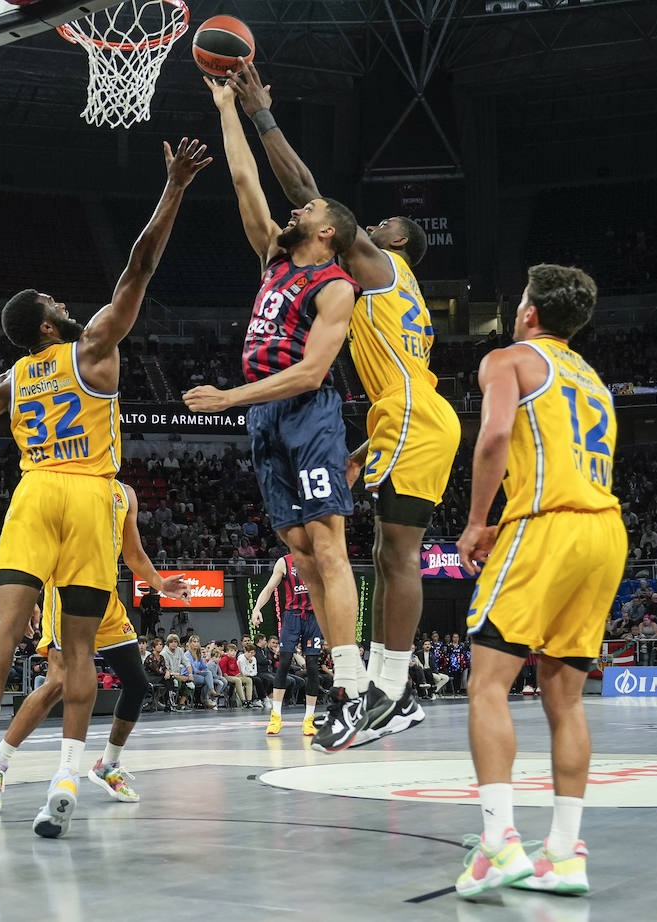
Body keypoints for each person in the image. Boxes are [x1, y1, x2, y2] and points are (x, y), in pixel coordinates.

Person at [0, 138, 211, 838]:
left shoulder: (6, 382)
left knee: (4, 628)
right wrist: (175, 188)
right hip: (91, 496)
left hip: (33, 492)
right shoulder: (93, 347)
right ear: (47, 325)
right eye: (56, 303)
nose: (68, 304)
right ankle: (67, 779)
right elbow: (140, 265)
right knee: (77, 656)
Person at [224, 61, 459, 745]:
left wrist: (263, 113)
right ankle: (398, 687)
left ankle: (389, 686)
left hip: (408, 410)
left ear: (390, 242)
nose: (372, 224)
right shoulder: (391, 290)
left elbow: (305, 189)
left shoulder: (384, 266)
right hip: (405, 414)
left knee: (397, 557)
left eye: (381, 222)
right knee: (388, 552)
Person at [187, 79, 373, 753]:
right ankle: (341, 680)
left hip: (306, 411)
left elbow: (314, 371)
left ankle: (353, 686)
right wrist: (226, 109)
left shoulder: (336, 286)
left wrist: (229, 398)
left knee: (328, 542)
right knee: (300, 553)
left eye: (310, 205)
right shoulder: (274, 256)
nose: (296, 207)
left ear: (328, 232)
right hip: (267, 421)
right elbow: (243, 180)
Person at [453, 264, 625, 898]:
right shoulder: (594, 379)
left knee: (488, 684)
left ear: (529, 312)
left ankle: (499, 845)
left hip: (547, 524)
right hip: (605, 531)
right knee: (566, 698)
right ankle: (565, 855)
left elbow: (496, 434)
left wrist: (477, 521)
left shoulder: (510, 359)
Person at [0, 481, 188, 809]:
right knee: (57, 684)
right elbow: (43, 543)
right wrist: (30, 592)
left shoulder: (125, 492)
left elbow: (132, 554)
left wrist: (159, 583)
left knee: (138, 684)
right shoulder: (67, 483)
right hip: (66, 593)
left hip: (106, 599)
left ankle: (107, 765)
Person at [251, 554, 327, 736]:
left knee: (312, 666)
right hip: (292, 616)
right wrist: (256, 608)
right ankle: (275, 716)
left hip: (313, 616)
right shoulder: (285, 562)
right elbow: (269, 588)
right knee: (284, 662)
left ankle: (309, 719)